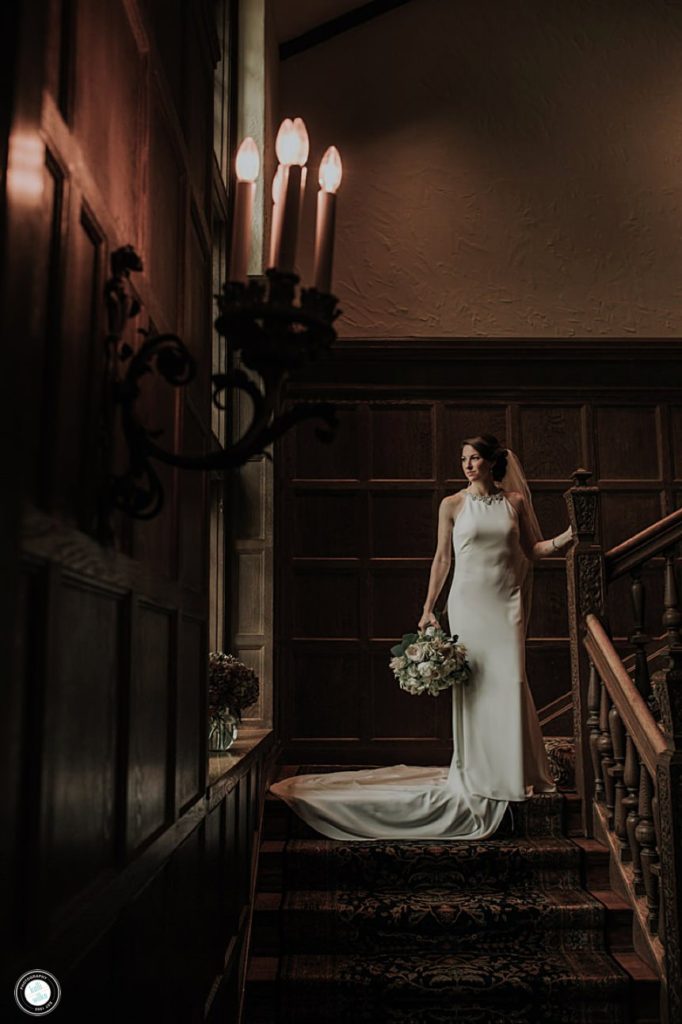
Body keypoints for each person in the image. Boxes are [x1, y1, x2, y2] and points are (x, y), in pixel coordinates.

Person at [269, 434, 574, 841]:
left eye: (475, 458)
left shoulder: (515, 502)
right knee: (477, 688)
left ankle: (514, 772)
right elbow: (443, 558)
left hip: (506, 605)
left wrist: (569, 537)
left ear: (491, 462)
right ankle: (480, 772)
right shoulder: (452, 505)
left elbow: (532, 551)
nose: (467, 465)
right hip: (467, 602)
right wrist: (429, 607)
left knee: (513, 683)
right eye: (463, 458)